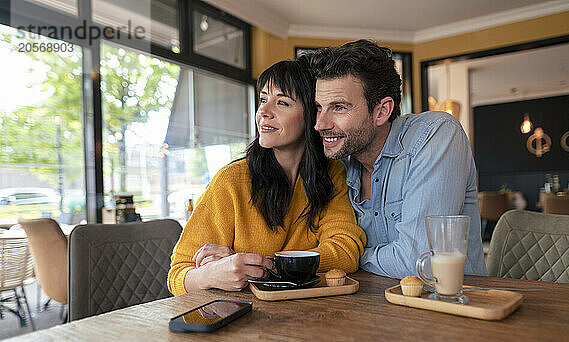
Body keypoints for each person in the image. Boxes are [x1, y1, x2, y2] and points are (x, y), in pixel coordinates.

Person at [168, 58, 366, 295]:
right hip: (241, 319)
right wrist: (212, 273)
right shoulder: (231, 181)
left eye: (282, 102)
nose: (263, 111)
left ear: (312, 115)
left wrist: (263, 266)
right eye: (262, 100)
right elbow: (179, 275)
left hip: (313, 315)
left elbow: (346, 251)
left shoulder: (331, 174)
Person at [310, 40, 486, 278]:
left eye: (339, 108)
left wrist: (348, 255)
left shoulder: (435, 135)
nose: (320, 124)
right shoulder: (339, 165)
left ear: (382, 111)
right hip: (372, 308)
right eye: (319, 107)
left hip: (450, 307)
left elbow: (419, 263)